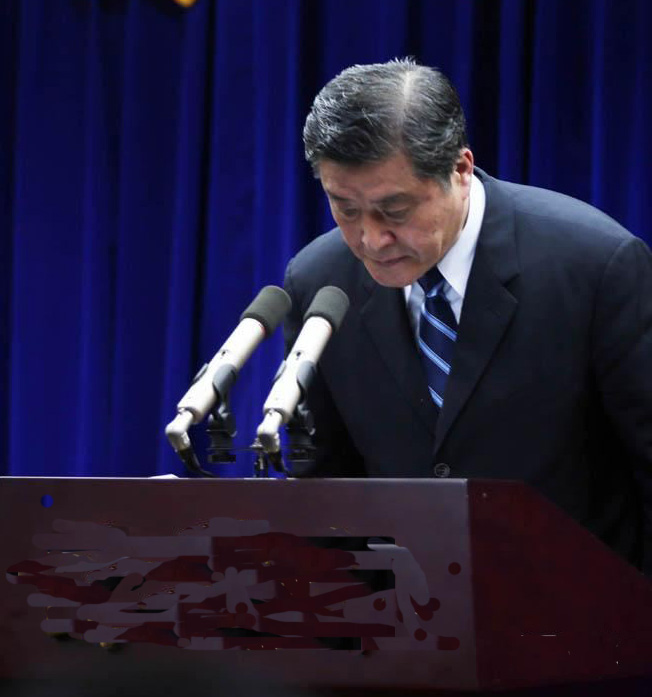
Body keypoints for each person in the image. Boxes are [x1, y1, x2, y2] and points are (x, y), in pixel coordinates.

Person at [283, 59, 652, 575]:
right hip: (403, 615)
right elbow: (325, 485)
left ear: (459, 169)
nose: (371, 239)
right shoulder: (320, 280)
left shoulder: (595, 265)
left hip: (579, 607)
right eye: (345, 208)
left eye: (395, 210)